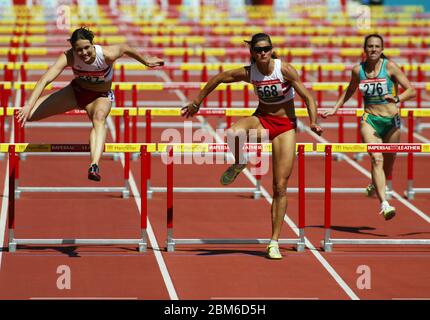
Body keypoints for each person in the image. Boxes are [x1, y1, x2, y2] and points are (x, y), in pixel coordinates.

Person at [181, 33, 322, 260]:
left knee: (280, 186)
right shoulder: (250, 72)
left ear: (271, 49)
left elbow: (308, 97)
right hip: (263, 120)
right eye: (258, 50)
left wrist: (313, 121)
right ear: (253, 53)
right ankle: (240, 161)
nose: (263, 53)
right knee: (232, 134)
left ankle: (273, 241)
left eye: (266, 48)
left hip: (285, 126)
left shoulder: (284, 70)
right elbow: (218, 78)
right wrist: (197, 102)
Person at [16, 27, 164, 181]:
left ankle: (94, 165)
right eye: (79, 50)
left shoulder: (107, 54)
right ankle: (32, 110)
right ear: (73, 49)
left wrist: (145, 60)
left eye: (87, 48)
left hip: (100, 96)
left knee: (99, 118)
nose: (84, 53)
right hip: (75, 92)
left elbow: (125, 47)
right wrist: (28, 105)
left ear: (93, 44)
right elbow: (45, 79)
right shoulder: (69, 56)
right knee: (30, 115)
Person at [322, 34, 416, 220]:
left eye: (377, 46)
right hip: (370, 120)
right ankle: (385, 203)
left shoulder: (390, 67)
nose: (373, 49)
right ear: (365, 50)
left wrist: (397, 98)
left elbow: (411, 90)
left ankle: (375, 184)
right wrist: (335, 108)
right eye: (370, 46)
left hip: (392, 122)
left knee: (387, 168)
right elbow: (350, 90)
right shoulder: (358, 70)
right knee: (376, 159)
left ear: (382, 49)